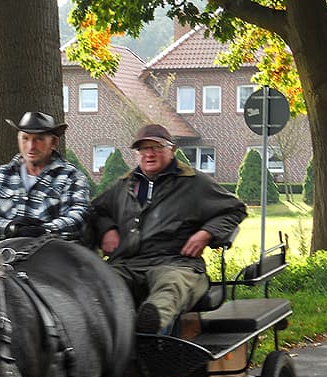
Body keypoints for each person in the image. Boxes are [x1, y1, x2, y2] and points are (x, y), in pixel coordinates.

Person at [92, 123, 247, 334]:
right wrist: (107, 229)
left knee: (169, 289)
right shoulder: (124, 185)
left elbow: (235, 210)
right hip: (128, 263)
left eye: (157, 147)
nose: (149, 154)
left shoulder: (194, 182)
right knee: (99, 285)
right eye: (143, 149)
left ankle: (152, 335)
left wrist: (206, 233)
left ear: (172, 150)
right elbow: (97, 210)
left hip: (177, 263)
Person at [0, 111, 92, 244]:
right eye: (25, 138)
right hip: (3, 258)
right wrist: (12, 228)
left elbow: (78, 217)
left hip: (53, 256)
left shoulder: (71, 177)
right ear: (18, 139)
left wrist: (43, 231)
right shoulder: (0, 176)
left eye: (39, 139)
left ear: (53, 142)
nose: (31, 146)